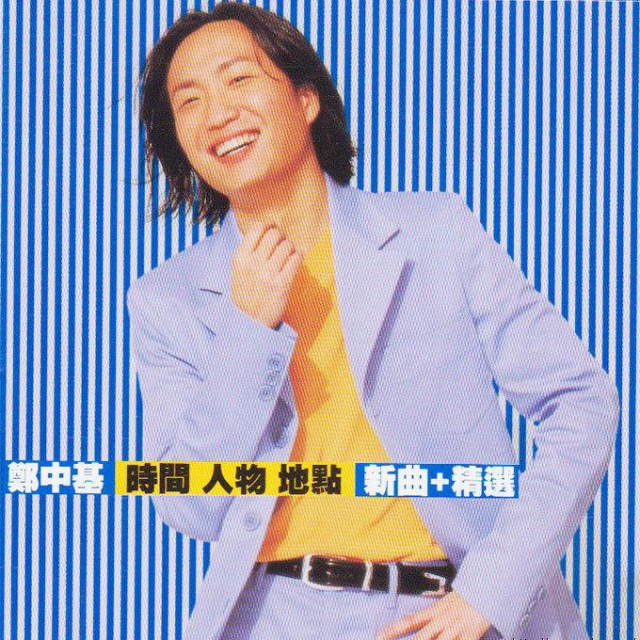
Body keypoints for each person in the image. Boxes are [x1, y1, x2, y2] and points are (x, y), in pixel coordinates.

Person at [128, 4, 619, 640]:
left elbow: (582, 403)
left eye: (239, 79)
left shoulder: (435, 233)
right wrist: (248, 335)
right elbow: (188, 505)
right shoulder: (167, 299)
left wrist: (491, 590)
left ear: (306, 98)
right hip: (274, 619)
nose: (217, 113)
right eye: (188, 100)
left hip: (446, 611)